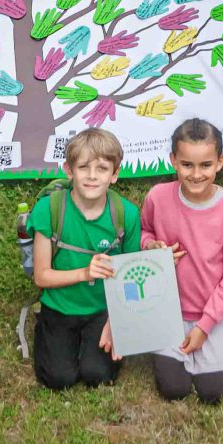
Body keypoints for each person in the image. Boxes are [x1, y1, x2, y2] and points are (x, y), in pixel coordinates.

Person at [134, 120, 223, 404]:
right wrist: (151, 245)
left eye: (205, 165)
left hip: (213, 313)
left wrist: (204, 326)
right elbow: (144, 231)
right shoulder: (157, 197)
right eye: (187, 165)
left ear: (220, 162)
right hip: (168, 310)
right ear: (173, 160)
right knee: (173, 389)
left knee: (214, 392)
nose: (196, 174)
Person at [25, 127, 142, 391]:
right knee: (58, 379)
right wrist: (84, 273)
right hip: (60, 305)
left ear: (114, 174)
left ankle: (92, 343)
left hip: (103, 308)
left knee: (98, 375)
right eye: (83, 167)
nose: (92, 176)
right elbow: (41, 276)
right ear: (69, 170)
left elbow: (131, 277)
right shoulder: (49, 209)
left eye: (102, 168)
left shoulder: (127, 214)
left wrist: (118, 321)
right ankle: (47, 329)